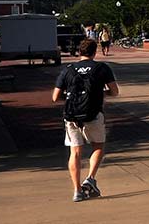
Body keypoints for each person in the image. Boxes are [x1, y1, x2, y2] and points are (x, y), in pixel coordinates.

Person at [53, 38, 120, 202]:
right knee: (98, 147)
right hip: (94, 114)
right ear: (94, 52)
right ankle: (90, 178)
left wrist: (73, 98)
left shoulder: (68, 70)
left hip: (72, 116)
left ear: (79, 52)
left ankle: (77, 191)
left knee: (75, 152)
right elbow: (115, 92)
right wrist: (98, 94)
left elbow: (55, 97)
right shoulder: (102, 68)